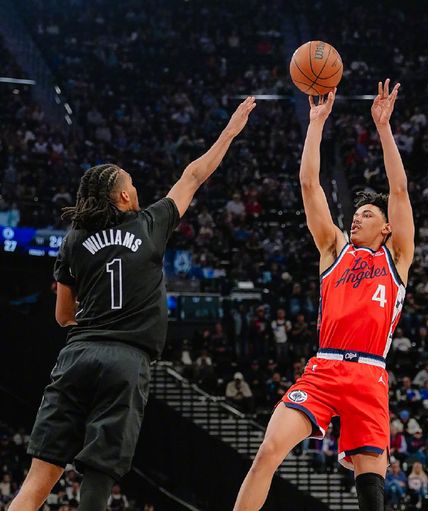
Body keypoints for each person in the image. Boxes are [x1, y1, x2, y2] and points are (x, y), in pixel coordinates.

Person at [8, 98, 256, 511]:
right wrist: (231, 130)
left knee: (37, 479)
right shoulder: (150, 224)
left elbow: (63, 315)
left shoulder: (73, 240)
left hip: (77, 354)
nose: (137, 188)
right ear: (124, 195)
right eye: (133, 183)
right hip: (126, 360)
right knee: (99, 471)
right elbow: (194, 175)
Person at [233, 80, 414, 511]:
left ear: (386, 228)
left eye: (366, 215)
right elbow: (309, 185)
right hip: (325, 367)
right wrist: (316, 123)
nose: (356, 219)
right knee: (267, 451)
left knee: (370, 489)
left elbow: (400, 190)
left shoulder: (397, 257)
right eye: (355, 213)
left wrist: (383, 128)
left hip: (369, 374)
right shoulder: (335, 249)